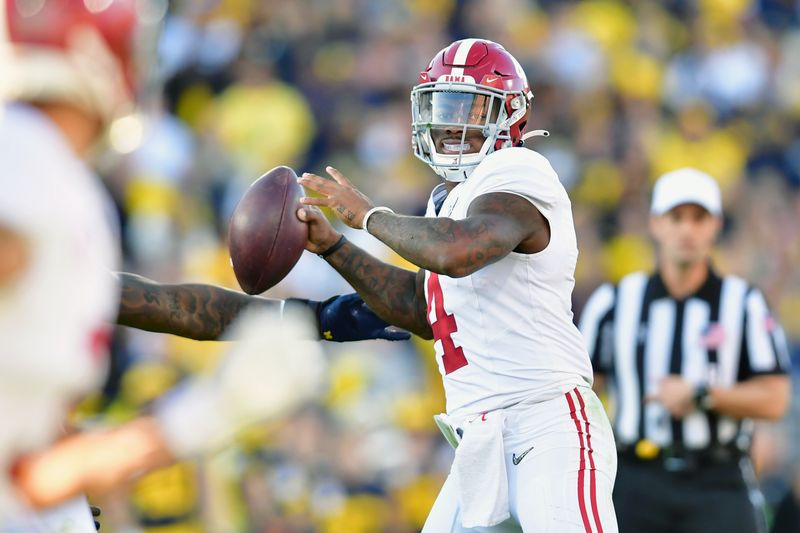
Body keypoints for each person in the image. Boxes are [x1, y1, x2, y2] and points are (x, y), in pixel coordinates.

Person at [0, 1, 351, 529]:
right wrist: (209, 411)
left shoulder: (54, 173)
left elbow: (32, 480)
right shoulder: (25, 152)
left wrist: (308, 321)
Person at [296, 38, 618, 532]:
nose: (451, 122)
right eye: (443, 106)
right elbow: (422, 307)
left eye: (469, 106)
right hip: (480, 438)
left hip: (546, 421)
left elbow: (458, 251)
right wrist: (336, 249)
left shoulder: (519, 168)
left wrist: (368, 217)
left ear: (509, 114)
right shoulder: (447, 200)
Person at [578, 168, 791, 533]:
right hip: (635, 477)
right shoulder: (614, 303)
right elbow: (581, 392)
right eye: (676, 218)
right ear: (656, 224)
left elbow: (775, 399)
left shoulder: (743, 304)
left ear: (715, 225)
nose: (687, 231)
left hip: (717, 480)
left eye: (699, 218)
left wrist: (703, 395)